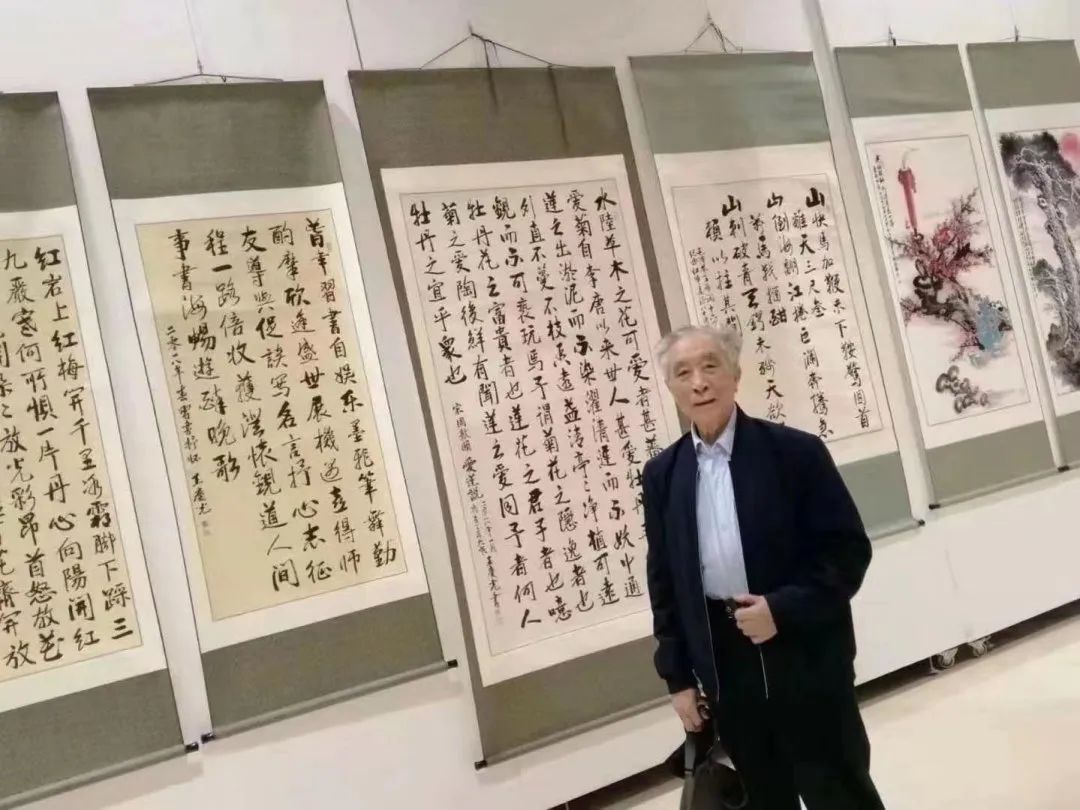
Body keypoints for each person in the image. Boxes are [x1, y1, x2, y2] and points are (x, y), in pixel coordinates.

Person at [643, 324, 885, 810]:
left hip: (807, 656)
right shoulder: (663, 475)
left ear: (735, 374)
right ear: (669, 387)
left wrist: (782, 609)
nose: (699, 383)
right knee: (763, 797)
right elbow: (664, 581)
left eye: (710, 366)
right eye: (683, 373)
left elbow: (847, 551)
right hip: (726, 668)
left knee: (840, 791)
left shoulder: (795, 453)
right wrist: (678, 678)